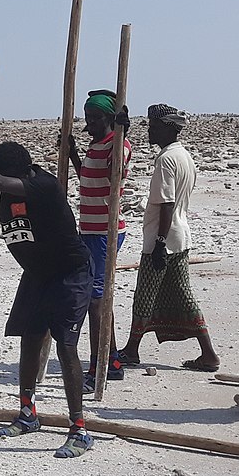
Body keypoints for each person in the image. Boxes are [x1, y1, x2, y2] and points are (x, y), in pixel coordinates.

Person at [0, 109, 94, 458]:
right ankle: (28, 413)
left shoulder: (42, 184)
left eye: (4, 176)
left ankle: (79, 429)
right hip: (37, 274)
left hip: (69, 273)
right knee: (29, 339)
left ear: (20, 173)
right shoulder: (8, 181)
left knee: (66, 345)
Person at [118, 105, 220, 372]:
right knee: (184, 296)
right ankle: (208, 354)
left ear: (167, 128)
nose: (150, 131)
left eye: (154, 126)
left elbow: (166, 202)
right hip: (181, 235)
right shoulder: (184, 156)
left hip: (163, 238)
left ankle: (131, 350)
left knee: (145, 294)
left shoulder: (166, 160)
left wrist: (159, 242)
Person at [66, 89, 133, 381]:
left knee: (97, 300)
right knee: (96, 297)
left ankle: (100, 363)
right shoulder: (95, 145)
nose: (89, 124)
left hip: (105, 230)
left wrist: (122, 131)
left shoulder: (118, 144)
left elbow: (114, 174)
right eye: (87, 118)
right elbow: (87, 179)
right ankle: (112, 359)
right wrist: (72, 156)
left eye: (94, 118)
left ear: (107, 118)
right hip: (89, 229)